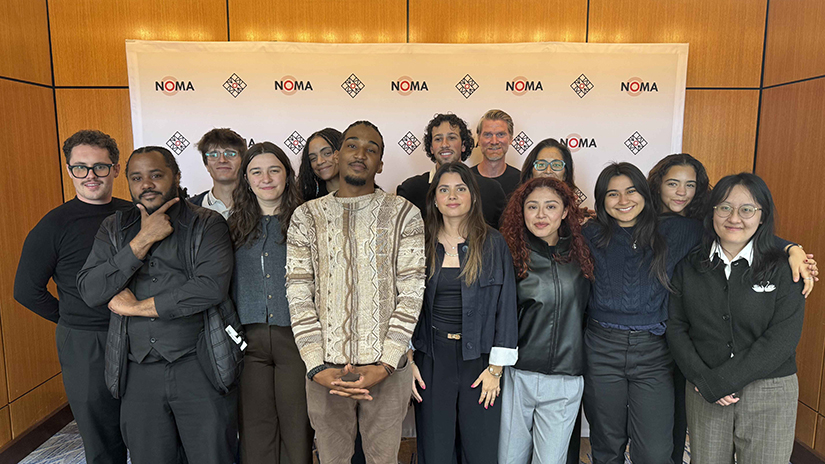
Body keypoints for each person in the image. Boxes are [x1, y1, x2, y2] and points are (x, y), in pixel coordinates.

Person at [582, 162, 811, 464]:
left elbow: (737, 231)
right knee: (607, 442)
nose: (623, 201)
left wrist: (791, 248)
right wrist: (707, 380)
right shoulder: (590, 234)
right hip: (610, 350)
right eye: (613, 194)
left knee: (655, 451)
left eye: (631, 191)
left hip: (663, 356)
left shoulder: (678, 230)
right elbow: (677, 325)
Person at [647, 152, 817, 463]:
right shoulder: (692, 264)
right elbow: (676, 326)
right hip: (705, 390)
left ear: (762, 215)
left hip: (768, 391)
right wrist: (702, 378)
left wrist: (721, 382)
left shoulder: (785, 268)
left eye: (746, 209)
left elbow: (782, 339)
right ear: (712, 212)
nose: (734, 218)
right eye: (724, 208)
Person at [78, 146, 237, 464]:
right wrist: (143, 240)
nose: (146, 184)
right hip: (138, 371)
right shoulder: (115, 228)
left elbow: (209, 289)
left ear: (176, 177)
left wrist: (137, 308)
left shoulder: (207, 224)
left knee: (212, 456)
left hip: (198, 364)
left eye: (156, 175)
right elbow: (91, 290)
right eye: (137, 177)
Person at [285, 120, 425, 464]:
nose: (360, 154)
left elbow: (411, 291)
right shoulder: (307, 216)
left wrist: (387, 363)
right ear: (338, 154)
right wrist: (316, 366)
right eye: (352, 145)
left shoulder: (405, 214)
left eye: (371, 149)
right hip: (326, 371)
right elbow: (299, 291)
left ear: (380, 163)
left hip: (386, 370)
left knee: (383, 459)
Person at [13, 130, 130, 464]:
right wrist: (72, 318)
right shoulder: (54, 224)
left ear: (116, 168)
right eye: (80, 167)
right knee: (101, 438)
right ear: (69, 170)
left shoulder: (134, 214)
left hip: (139, 334)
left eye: (100, 166)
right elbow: (26, 291)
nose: (90, 175)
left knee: (149, 429)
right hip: (85, 342)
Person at [409, 162, 518, 464]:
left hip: (480, 364)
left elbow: (506, 309)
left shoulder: (493, 243)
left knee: (481, 452)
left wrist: (495, 371)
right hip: (431, 361)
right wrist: (407, 360)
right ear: (434, 198)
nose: (452, 195)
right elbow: (402, 303)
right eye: (444, 189)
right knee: (436, 452)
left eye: (461, 188)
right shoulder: (420, 243)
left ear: (473, 196)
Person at [497, 177, 593, 464]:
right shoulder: (510, 255)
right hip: (519, 374)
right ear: (521, 211)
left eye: (550, 206)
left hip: (566, 378)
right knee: (508, 459)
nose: (541, 215)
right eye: (532, 207)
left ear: (565, 211)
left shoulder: (582, 255)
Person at [228, 142, 312, 463]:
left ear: (287, 175)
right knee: (254, 428)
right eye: (256, 171)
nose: (266, 178)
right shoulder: (231, 226)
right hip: (248, 343)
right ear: (246, 180)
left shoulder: (309, 221)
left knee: (297, 427)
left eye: (274, 169)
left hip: (297, 340)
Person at [397, 113, 507, 228]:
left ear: (463, 145)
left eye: (452, 138)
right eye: (438, 139)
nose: (445, 144)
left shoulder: (491, 189)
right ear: (431, 148)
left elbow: (503, 238)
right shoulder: (410, 190)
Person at [189, 128, 247, 217]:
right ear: (206, 165)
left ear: (242, 161)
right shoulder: (188, 208)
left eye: (231, 154)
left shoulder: (261, 205)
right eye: (213, 155)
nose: (222, 160)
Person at [471, 109, 521, 197]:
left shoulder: (522, 181)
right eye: (488, 135)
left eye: (500, 134)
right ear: (478, 139)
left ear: (510, 139)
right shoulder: (465, 178)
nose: (494, 141)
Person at [298, 128, 343, 201]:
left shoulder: (365, 193)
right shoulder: (309, 204)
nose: (319, 161)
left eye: (327, 153)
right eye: (313, 158)